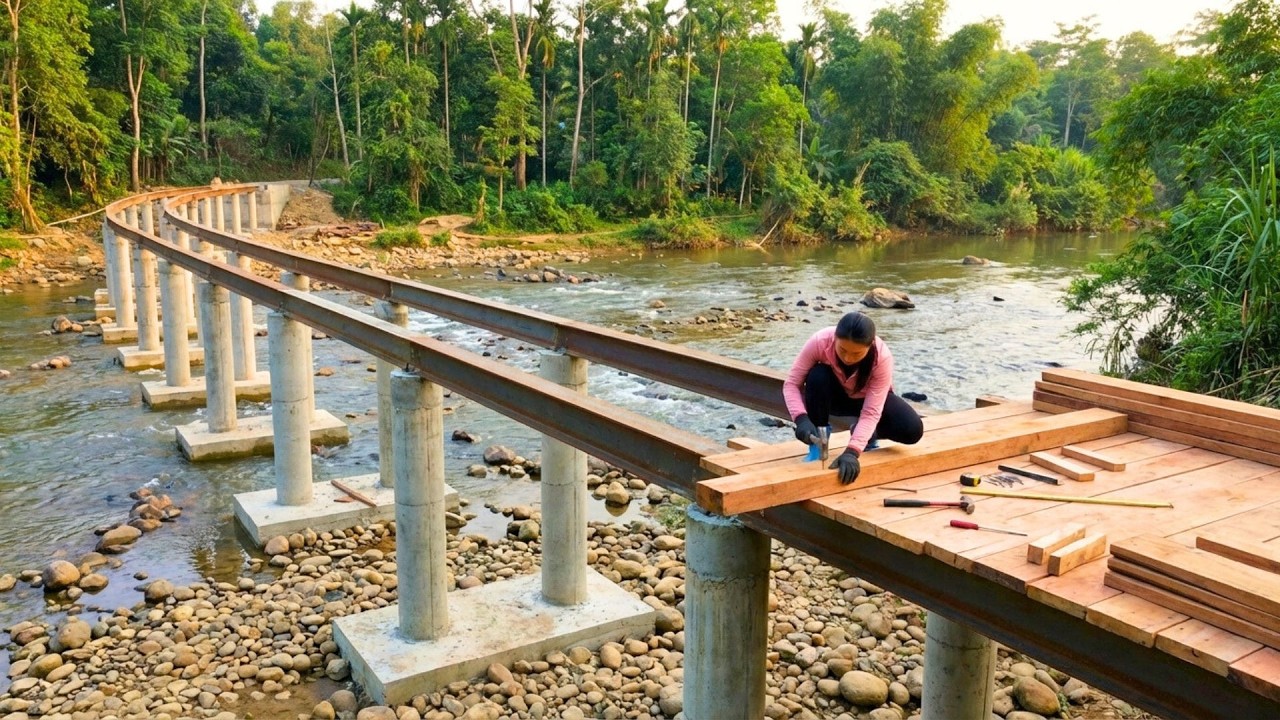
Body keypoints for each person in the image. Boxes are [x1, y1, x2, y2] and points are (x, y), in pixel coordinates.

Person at [784, 311, 924, 485]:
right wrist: (801, 419)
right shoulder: (819, 341)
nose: (848, 358)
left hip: (867, 400)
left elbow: (872, 412)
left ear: (870, 345)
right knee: (818, 375)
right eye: (842, 350)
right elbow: (791, 384)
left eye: (857, 354)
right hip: (835, 398)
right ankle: (818, 445)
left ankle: (865, 434)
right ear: (835, 337)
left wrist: (852, 451)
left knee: (912, 429)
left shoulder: (882, 357)